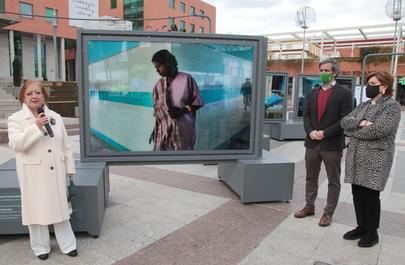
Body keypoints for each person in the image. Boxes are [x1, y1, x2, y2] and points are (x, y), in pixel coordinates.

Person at [7, 80, 78, 260]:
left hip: (56, 172)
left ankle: (68, 244)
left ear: (43, 96)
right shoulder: (15, 119)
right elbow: (16, 144)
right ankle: (40, 248)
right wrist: (36, 127)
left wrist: (70, 169)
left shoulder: (56, 116)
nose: (34, 96)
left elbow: (65, 145)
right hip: (33, 174)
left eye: (38, 92)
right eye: (29, 93)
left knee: (61, 211)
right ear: (23, 96)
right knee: (36, 211)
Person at [341, 71, 400, 248]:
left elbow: (379, 130)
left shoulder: (392, 106)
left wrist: (355, 130)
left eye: (373, 83)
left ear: (384, 86)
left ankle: (372, 232)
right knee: (357, 193)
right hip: (357, 157)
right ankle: (362, 227)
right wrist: (361, 123)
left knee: (371, 196)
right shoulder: (365, 105)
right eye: (369, 83)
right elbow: (345, 122)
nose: (369, 86)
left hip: (376, 158)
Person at [294, 59, 353, 227]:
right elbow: (306, 115)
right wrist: (310, 131)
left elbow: (345, 119)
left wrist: (325, 133)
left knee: (333, 180)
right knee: (310, 177)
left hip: (332, 144)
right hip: (312, 143)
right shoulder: (313, 92)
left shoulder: (344, 93)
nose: (323, 73)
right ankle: (309, 206)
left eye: (326, 70)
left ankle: (328, 212)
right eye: (321, 70)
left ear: (334, 72)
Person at [150, 49, 204, 151]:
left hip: (182, 130)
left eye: (158, 66)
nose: (157, 70)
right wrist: (155, 130)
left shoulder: (186, 79)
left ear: (167, 63)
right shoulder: (158, 85)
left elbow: (198, 102)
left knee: (182, 162)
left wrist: (181, 111)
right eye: (155, 67)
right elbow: (159, 113)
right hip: (163, 131)